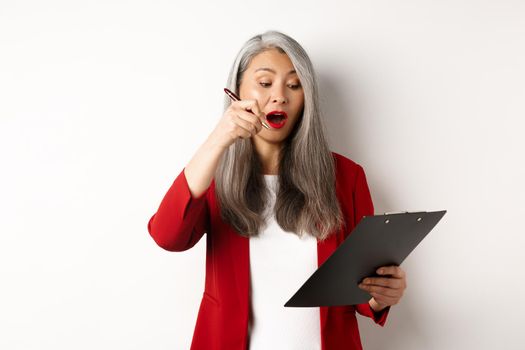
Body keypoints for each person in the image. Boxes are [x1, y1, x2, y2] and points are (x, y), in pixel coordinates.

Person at [147, 30, 407, 350]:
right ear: (237, 91)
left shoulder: (346, 177)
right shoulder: (212, 174)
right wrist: (218, 139)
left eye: (294, 85)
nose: (280, 96)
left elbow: (360, 293)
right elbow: (167, 236)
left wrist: (382, 295)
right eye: (265, 83)